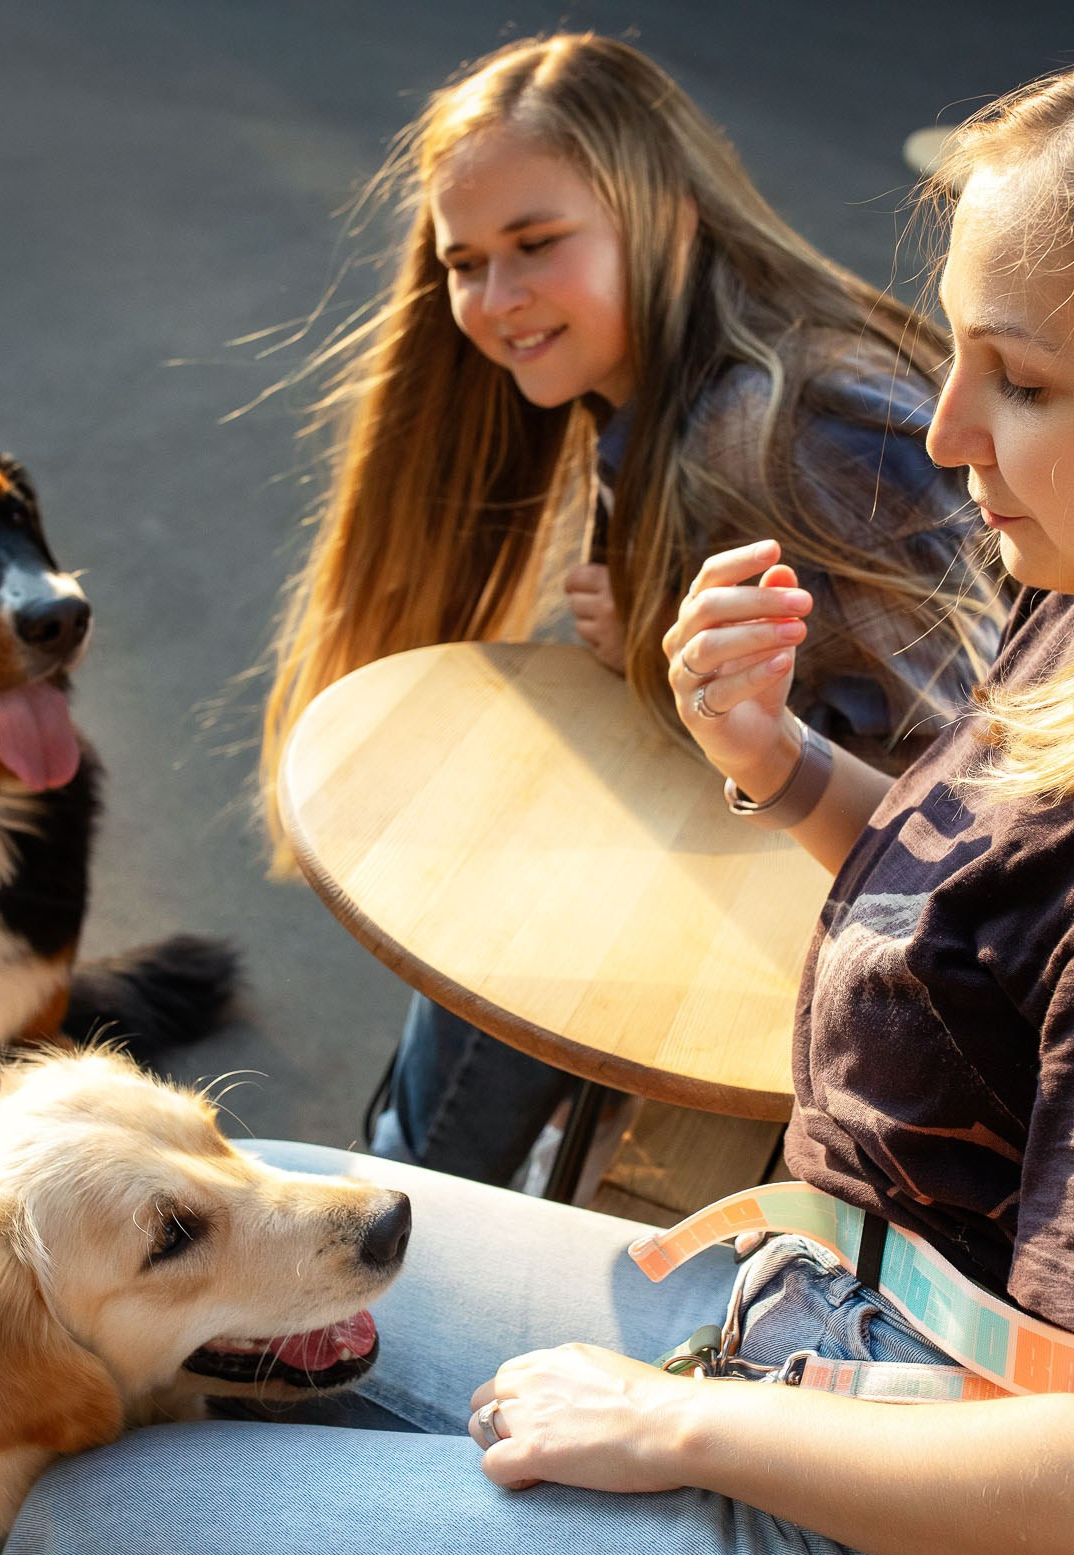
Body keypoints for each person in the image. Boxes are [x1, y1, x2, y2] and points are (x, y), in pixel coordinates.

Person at [0, 28, 1074, 1555]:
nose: (951, 428)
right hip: (818, 1329)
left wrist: (679, 1430)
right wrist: (784, 762)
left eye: (1028, 381)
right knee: (269, 1228)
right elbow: (995, 922)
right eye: (967, 358)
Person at [255, 33, 1004, 1186]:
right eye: (464, 262)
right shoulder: (654, 384)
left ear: (667, 211)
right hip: (783, 858)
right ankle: (400, 1193)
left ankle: (397, 1224)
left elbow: (986, 751)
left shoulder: (773, 421)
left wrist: (736, 702)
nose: (496, 300)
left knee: (522, 874)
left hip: (873, 951)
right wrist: (666, 647)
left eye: (537, 244)